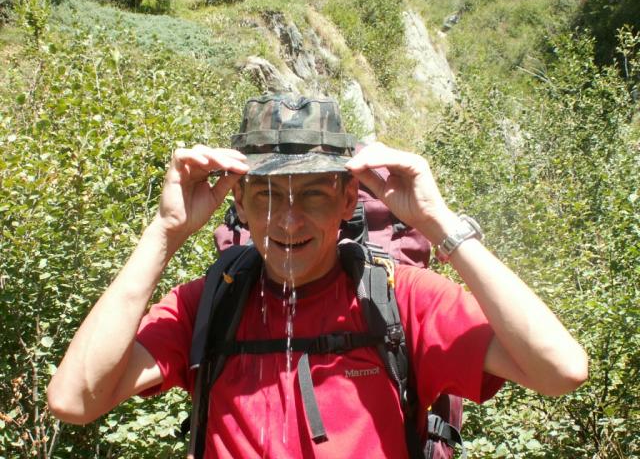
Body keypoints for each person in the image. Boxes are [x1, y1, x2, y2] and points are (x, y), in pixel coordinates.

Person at [47, 94, 588, 458]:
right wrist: (165, 233)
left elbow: (560, 369)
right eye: (266, 196)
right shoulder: (208, 304)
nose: (288, 221)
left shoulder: (401, 301)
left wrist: (438, 223)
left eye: (312, 194)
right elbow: (75, 400)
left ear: (349, 200)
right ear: (239, 203)